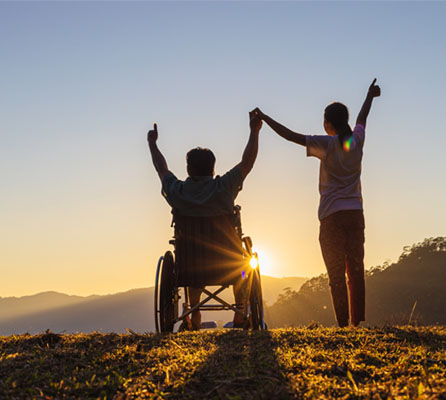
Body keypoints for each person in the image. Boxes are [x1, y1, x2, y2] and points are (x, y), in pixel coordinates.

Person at [252, 78, 381, 327]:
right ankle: (357, 323)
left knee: (335, 274)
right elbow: (363, 118)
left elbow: (291, 136)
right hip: (355, 214)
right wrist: (369, 95)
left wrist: (265, 119)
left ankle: (342, 323)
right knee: (355, 269)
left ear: (329, 125)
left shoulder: (327, 143)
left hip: (331, 216)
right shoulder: (356, 141)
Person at [147, 112, 262, 329]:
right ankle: (240, 313)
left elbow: (161, 169)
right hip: (231, 266)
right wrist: (254, 132)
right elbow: (247, 163)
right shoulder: (224, 187)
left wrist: (152, 144)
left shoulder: (178, 191)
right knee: (245, 263)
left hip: (189, 269)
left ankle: (195, 314)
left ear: (188, 169)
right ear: (213, 169)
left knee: (192, 255)